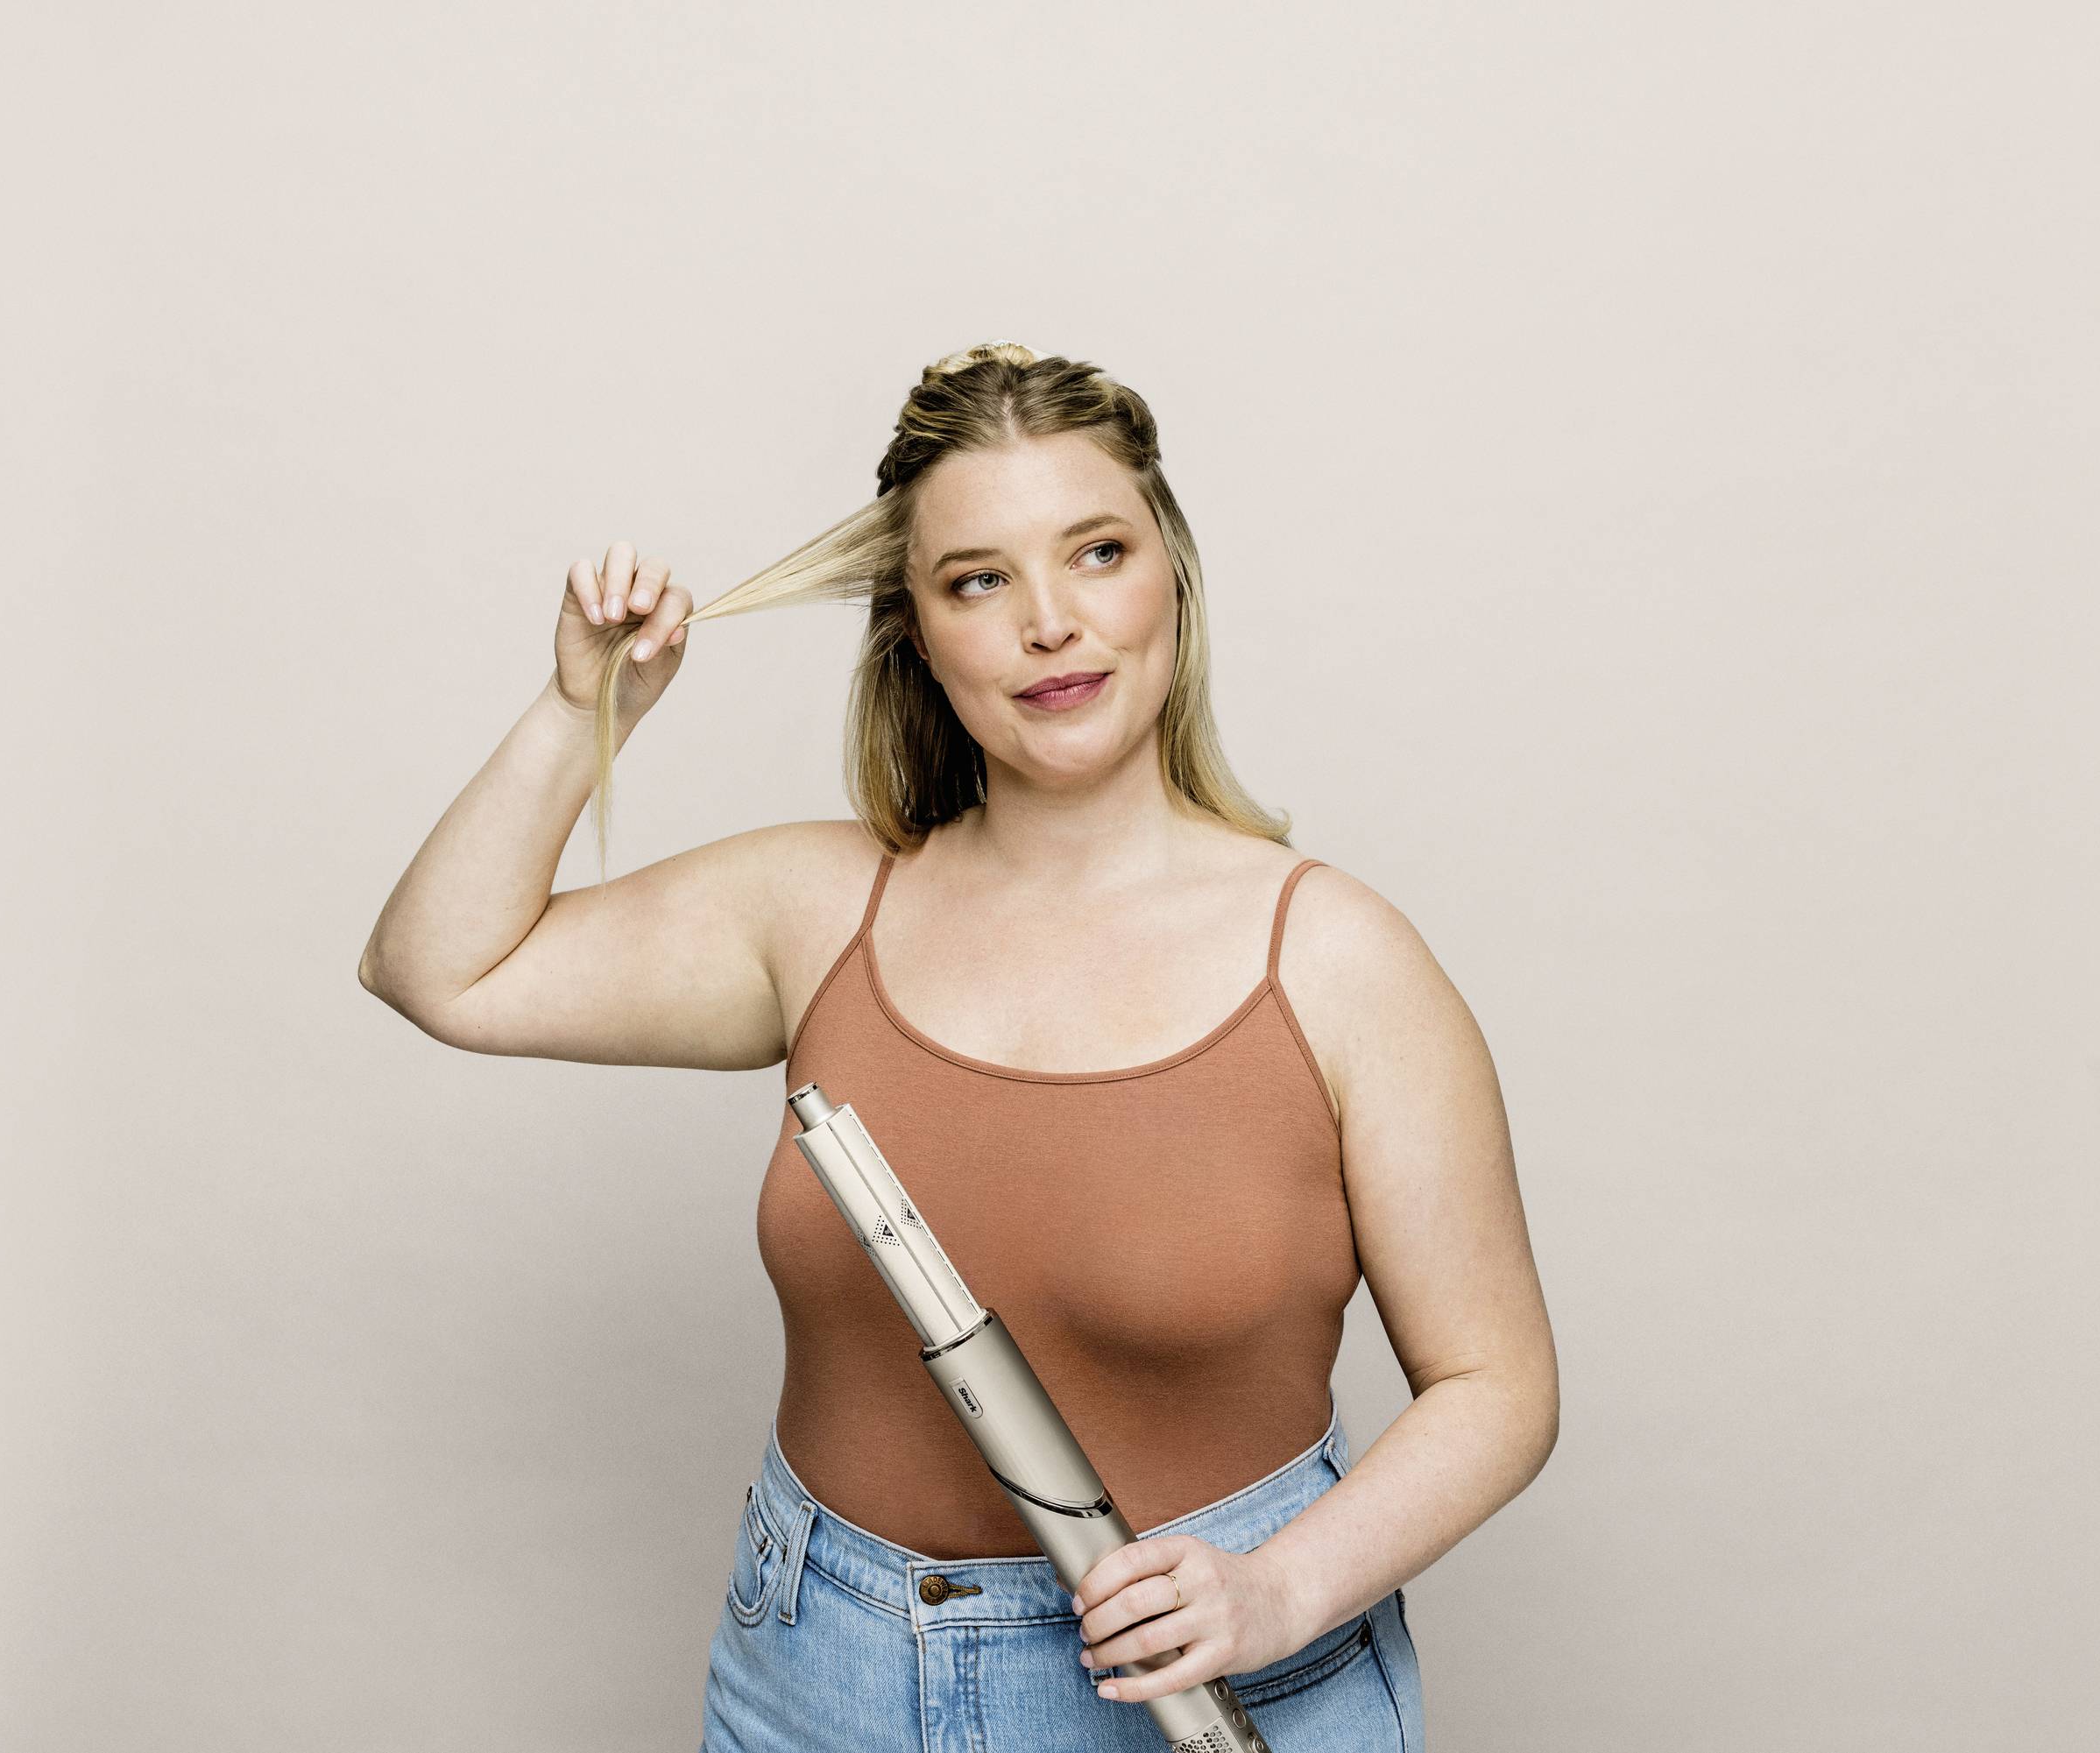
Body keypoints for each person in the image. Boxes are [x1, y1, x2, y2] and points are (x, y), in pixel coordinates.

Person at [358, 343, 1559, 1751]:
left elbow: (1500, 1386)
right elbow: (439, 968)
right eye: (979, 580)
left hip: (1208, 1678)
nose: (1051, 622)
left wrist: (1279, 1590)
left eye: (1097, 552)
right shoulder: (821, 908)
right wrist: (585, 714)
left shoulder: (1340, 961)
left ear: (1170, 575)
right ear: (916, 631)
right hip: (820, 1675)